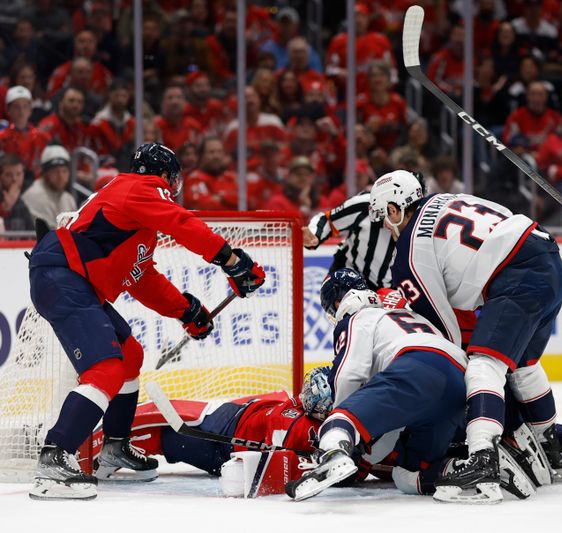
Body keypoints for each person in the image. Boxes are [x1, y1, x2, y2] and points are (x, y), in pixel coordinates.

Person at [26, 142, 266, 500]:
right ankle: (55, 457)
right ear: (165, 176)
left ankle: (114, 447)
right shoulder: (139, 187)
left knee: (129, 355)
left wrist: (186, 309)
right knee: (106, 368)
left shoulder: (134, 214)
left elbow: (140, 277)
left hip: (71, 280)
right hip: (65, 277)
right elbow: (182, 222)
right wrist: (231, 260)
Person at [368, 170, 562, 503]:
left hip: (516, 274)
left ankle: (481, 459)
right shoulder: (446, 200)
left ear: (393, 209)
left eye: (384, 218)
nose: (387, 228)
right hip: (547, 255)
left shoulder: (409, 250)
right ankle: (553, 452)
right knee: (524, 364)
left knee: (482, 366)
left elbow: (442, 341)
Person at [286, 269, 524, 502]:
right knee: (407, 475)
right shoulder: (406, 314)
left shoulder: (357, 317)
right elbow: (393, 423)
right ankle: (484, 468)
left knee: (342, 419)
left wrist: (343, 425)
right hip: (460, 380)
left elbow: (348, 374)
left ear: (338, 302)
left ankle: (332, 454)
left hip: (418, 366)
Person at [88, 367, 332, 497]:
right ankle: (108, 443)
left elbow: (278, 456)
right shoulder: (308, 414)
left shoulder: (298, 426)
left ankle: (106, 451)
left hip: (224, 445)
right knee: (169, 417)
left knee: (169, 437)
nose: (305, 394)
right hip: (234, 416)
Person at [21, 145, 77, 229]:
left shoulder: (68, 199)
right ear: (45, 174)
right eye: (55, 171)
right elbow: (49, 233)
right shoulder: (34, 195)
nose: (60, 177)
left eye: (64, 171)